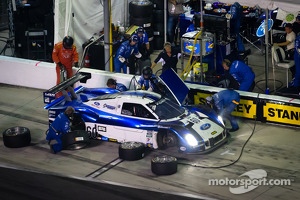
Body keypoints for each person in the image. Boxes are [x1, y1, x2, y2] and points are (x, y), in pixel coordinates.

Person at [52, 36, 79, 100]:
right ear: (64, 43)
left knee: (70, 81)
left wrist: (76, 62)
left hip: (69, 67)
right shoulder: (58, 46)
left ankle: (69, 95)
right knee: (60, 82)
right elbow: (54, 55)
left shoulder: (73, 47)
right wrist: (59, 64)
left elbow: (75, 55)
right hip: (60, 67)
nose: (68, 48)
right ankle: (59, 96)